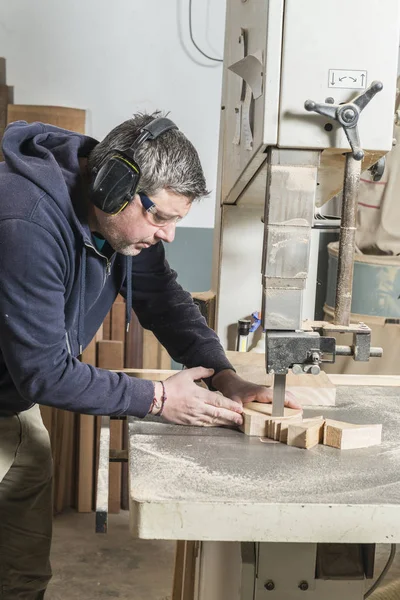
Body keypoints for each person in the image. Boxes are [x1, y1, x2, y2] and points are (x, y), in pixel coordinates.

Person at [0, 112, 298, 599]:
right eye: (160, 217)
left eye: (177, 220)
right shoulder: (25, 219)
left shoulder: (121, 226)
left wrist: (224, 375)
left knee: (22, 577)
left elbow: (161, 296)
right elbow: (43, 372)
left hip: (14, 406)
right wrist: (159, 398)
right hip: (24, 383)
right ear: (113, 184)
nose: (168, 234)